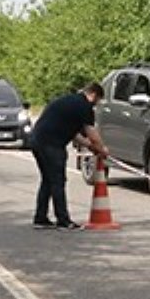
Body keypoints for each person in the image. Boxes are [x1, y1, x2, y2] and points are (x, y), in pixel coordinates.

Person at [30, 82, 109, 230]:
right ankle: (63, 220)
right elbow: (92, 133)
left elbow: (74, 134)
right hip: (51, 144)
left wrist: (91, 147)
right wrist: (101, 149)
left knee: (48, 180)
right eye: (97, 101)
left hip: (37, 140)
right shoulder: (84, 106)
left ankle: (40, 218)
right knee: (58, 181)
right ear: (93, 95)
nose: (95, 105)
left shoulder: (69, 101)